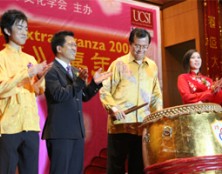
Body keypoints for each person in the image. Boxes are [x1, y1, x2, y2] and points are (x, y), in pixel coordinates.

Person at [41, 30, 111, 174]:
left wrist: (95, 83)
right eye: (71, 44)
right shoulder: (51, 70)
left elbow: (83, 95)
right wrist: (79, 82)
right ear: (59, 49)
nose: (75, 48)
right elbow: (59, 95)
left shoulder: (74, 71)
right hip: (60, 132)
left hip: (76, 132)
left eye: (76, 44)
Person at [99, 28, 163, 174]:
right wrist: (113, 108)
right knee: (116, 167)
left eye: (144, 46)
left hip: (142, 125)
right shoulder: (119, 64)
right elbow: (104, 90)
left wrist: (158, 115)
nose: (140, 50)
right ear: (130, 44)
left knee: (139, 167)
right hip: (120, 124)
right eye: (137, 45)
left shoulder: (152, 66)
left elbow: (155, 95)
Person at [0, 9, 51, 174]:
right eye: (20, 27)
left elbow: (36, 90)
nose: (24, 32)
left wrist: (42, 76)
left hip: (30, 126)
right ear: (7, 31)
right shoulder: (1, 58)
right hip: (8, 127)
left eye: (26, 28)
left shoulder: (30, 59)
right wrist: (27, 73)